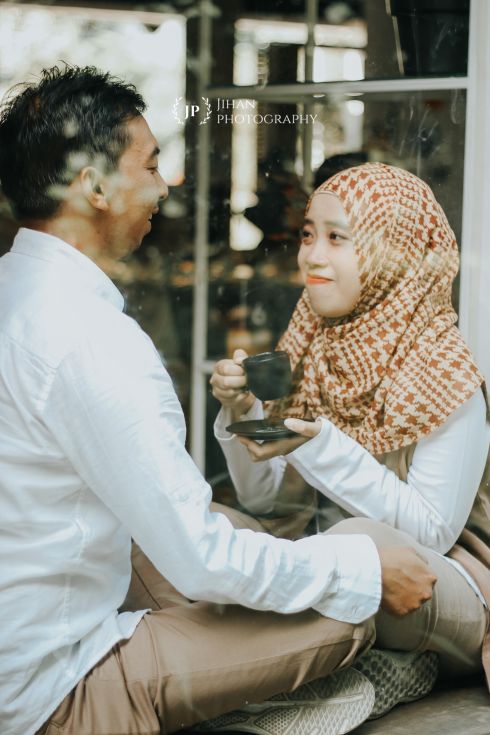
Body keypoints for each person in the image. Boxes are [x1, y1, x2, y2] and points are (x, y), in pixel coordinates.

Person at [0, 66, 436, 735]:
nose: (163, 187)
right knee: (345, 612)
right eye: (151, 166)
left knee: (234, 532)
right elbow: (201, 558)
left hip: (23, 623)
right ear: (95, 187)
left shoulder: (16, 289)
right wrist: (367, 570)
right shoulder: (92, 339)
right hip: (48, 686)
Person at [211, 162, 490, 701]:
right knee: (213, 523)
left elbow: (431, 535)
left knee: (359, 545)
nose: (312, 255)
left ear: (394, 251)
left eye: (337, 238)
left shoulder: (445, 372)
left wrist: (319, 445)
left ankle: (267, 664)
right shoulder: (312, 348)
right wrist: (241, 410)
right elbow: (264, 501)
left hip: (442, 586)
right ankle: (330, 662)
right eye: (307, 235)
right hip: (333, 563)